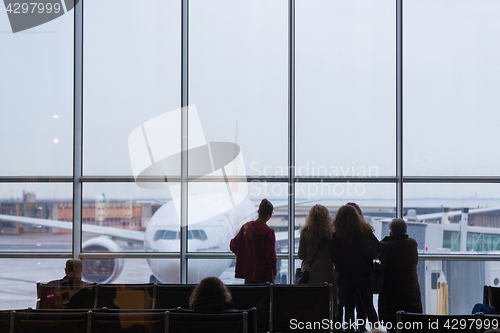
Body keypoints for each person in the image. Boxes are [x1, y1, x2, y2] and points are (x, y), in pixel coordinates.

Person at [330, 204, 380, 330]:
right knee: (368, 305)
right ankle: (373, 330)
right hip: (366, 275)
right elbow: (377, 249)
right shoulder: (365, 233)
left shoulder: (337, 236)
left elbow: (333, 256)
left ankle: (350, 329)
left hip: (346, 276)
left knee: (349, 307)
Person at [378, 218, 422, 332]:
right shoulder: (412, 244)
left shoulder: (386, 246)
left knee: (392, 326)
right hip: (411, 293)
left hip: (391, 295)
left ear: (391, 232)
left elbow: (376, 250)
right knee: (410, 326)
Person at [230, 198, 277, 284]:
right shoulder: (269, 232)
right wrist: (274, 268)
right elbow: (270, 255)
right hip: (264, 275)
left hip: (248, 273)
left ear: (258, 211)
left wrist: (244, 257)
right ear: (270, 214)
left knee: (249, 295)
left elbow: (233, 245)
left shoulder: (246, 227)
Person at [298, 204, 338, 291]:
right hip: (327, 272)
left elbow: (301, 255)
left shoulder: (305, 232)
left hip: (310, 273)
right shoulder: (331, 234)